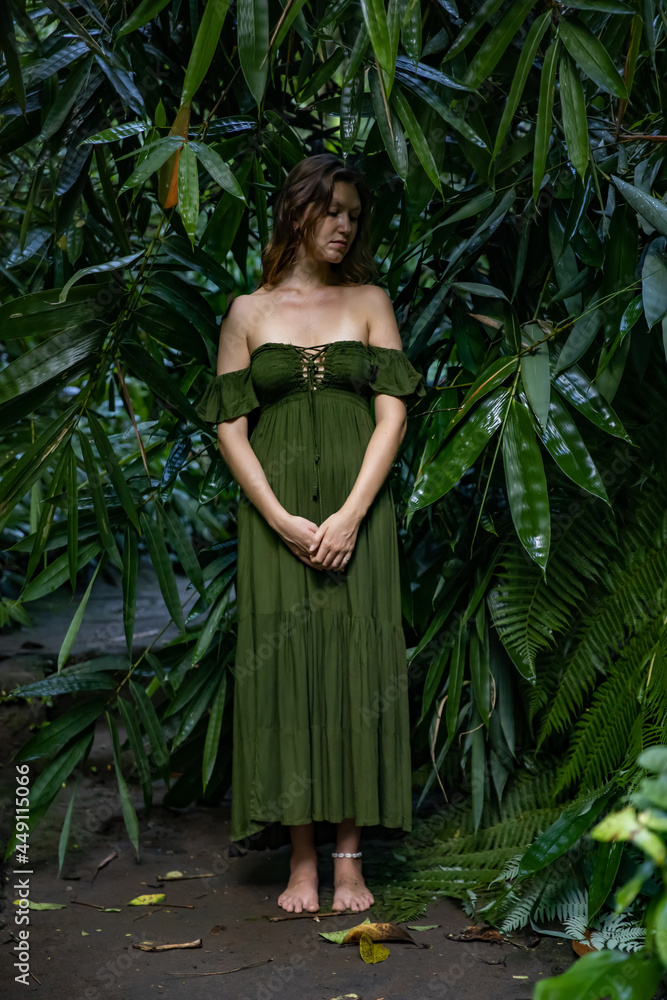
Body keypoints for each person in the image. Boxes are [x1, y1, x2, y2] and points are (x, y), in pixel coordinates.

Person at [196, 153, 426, 915]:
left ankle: (351, 858)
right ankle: (300, 859)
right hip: (276, 521)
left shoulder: (369, 300)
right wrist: (279, 518)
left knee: (359, 667)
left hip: (361, 514)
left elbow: (392, 413)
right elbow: (231, 429)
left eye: (354, 216)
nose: (344, 226)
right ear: (299, 212)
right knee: (286, 668)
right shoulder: (247, 313)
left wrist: (353, 513)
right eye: (332, 211)